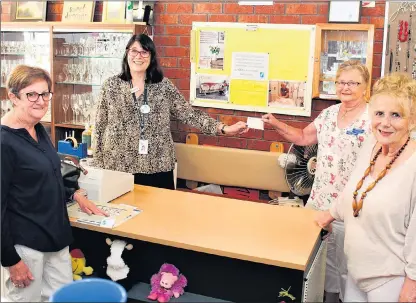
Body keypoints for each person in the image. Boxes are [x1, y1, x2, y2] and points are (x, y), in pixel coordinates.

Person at [262, 60, 372, 302]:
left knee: (342, 268)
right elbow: (302, 137)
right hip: (318, 201)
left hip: (350, 207)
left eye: (353, 82)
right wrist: (276, 124)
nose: (346, 87)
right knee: (313, 260)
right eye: (342, 82)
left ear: (365, 86)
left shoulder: (373, 117)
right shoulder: (329, 113)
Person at [315, 72, 416, 302]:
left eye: (396, 115)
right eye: (379, 114)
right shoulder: (372, 146)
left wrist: (413, 283)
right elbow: (353, 190)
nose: (385, 123)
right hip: (355, 270)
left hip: (389, 278)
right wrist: (329, 215)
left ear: (413, 120)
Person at [1, 65, 107, 302]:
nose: (40, 101)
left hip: (56, 237)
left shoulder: (38, 128)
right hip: (26, 246)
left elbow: (51, 172)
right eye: (31, 94)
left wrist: (75, 194)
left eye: (45, 93)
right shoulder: (4, 141)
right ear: (13, 97)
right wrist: (10, 259)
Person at [92, 34, 248, 190]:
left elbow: (189, 114)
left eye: (144, 52)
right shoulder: (111, 86)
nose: (138, 56)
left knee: (161, 212)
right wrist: (99, 166)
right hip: (119, 166)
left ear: (151, 56)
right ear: (127, 53)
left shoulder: (163, 86)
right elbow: (99, 127)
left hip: (157, 165)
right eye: (134, 51)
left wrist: (223, 128)